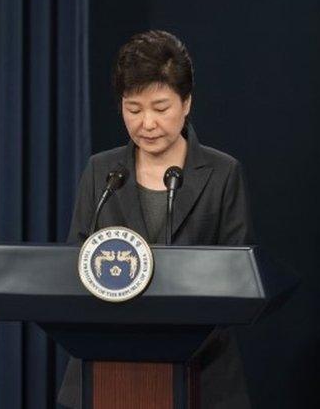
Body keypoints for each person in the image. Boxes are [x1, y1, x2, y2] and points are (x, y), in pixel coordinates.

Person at [57, 30, 255, 409]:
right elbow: (75, 264)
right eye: (133, 109)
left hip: (202, 373)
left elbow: (238, 279)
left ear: (187, 103)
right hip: (107, 372)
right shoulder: (102, 171)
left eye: (160, 108)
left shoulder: (222, 172)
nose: (146, 123)